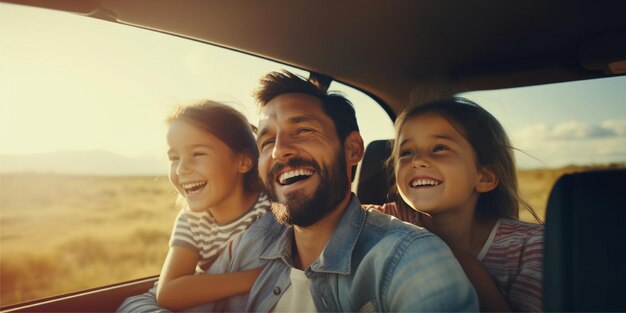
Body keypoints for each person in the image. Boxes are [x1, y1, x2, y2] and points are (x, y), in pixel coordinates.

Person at [119, 72, 478, 312]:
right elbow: (143, 302)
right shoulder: (254, 241)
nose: (279, 152)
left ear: (352, 150)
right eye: (267, 141)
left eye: (303, 131)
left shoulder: (408, 260)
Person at [379, 97, 543, 311]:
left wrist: (468, 270)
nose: (417, 160)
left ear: (484, 177)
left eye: (439, 148)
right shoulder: (385, 220)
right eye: (406, 152)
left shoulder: (530, 247)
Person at [130, 100, 271, 311]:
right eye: (174, 158)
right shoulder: (191, 221)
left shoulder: (270, 209)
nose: (181, 169)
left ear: (243, 162)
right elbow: (168, 293)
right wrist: (258, 277)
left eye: (198, 154)